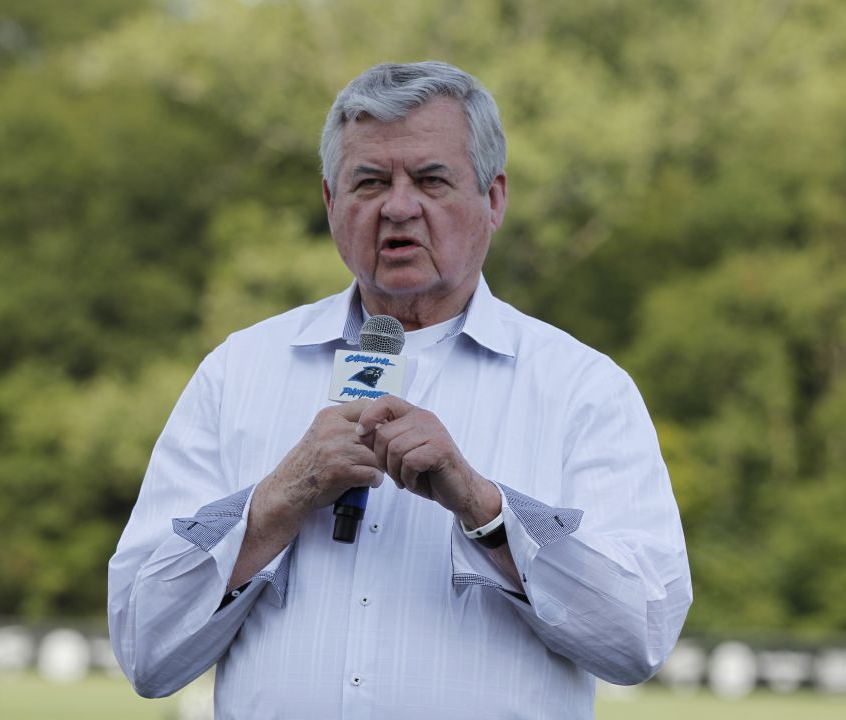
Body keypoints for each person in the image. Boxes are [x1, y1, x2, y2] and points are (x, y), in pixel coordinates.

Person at [108, 61, 691, 719]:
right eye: (370, 181)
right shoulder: (236, 372)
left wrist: (484, 509)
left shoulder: (582, 389)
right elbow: (144, 650)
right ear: (331, 203)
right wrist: (280, 499)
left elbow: (639, 638)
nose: (398, 206)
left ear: (494, 199)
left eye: (432, 179)